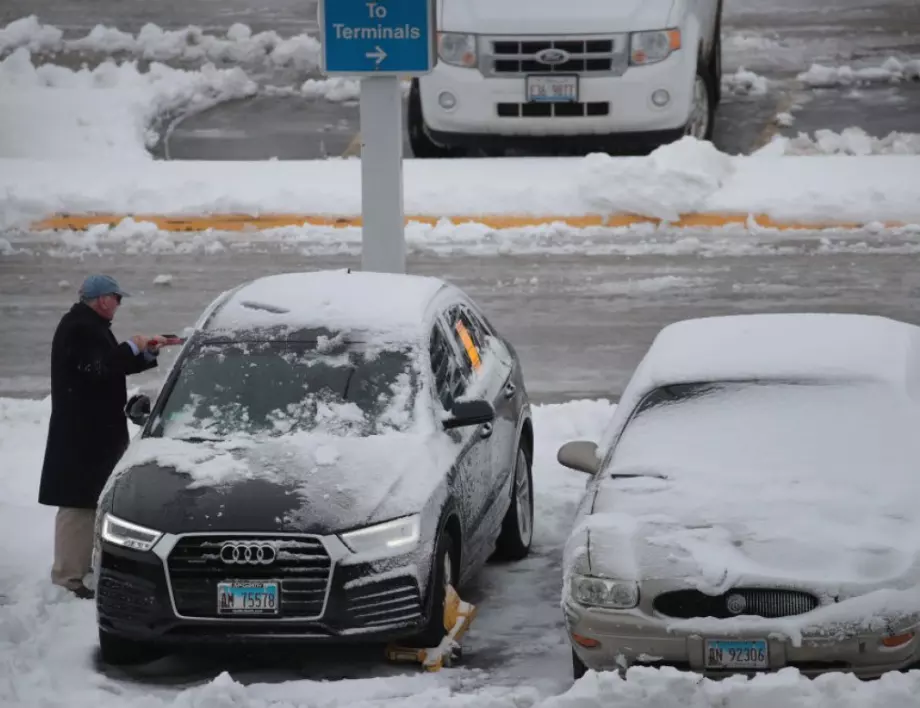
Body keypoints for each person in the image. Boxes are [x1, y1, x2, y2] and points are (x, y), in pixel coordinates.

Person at [38, 274, 167, 599]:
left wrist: (146, 353)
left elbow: (110, 367)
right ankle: (68, 578)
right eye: (117, 298)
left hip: (94, 433)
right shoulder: (79, 328)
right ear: (102, 299)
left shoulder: (90, 327)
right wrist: (131, 346)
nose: (119, 304)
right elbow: (97, 368)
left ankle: (84, 570)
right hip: (81, 434)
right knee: (77, 505)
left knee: (93, 500)